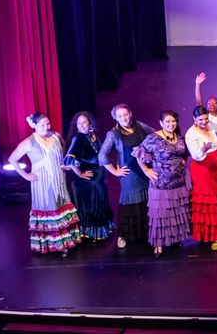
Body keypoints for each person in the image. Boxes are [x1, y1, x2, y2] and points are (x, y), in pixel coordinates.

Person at [8, 113, 82, 255]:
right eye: (42, 125)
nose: (46, 127)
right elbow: (12, 159)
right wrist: (25, 175)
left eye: (47, 124)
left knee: (61, 205)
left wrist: (64, 164)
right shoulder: (29, 142)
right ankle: (55, 245)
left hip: (59, 179)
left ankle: (67, 240)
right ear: (34, 125)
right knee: (50, 208)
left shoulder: (55, 136)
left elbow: (63, 152)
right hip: (42, 182)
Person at [136, 110, 190, 258]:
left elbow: (183, 153)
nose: (171, 124)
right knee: (160, 215)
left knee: (175, 213)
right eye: (167, 122)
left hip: (178, 183)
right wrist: (146, 170)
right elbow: (139, 153)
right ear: (161, 123)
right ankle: (158, 244)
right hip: (161, 184)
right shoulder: (153, 138)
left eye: (173, 121)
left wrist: (182, 160)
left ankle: (174, 239)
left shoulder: (178, 138)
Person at [101, 104, 153, 249]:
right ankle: (123, 235)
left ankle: (144, 233)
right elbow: (102, 156)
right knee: (129, 204)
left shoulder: (139, 125)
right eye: (120, 116)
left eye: (125, 114)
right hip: (129, 174)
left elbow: (155, 135)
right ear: (115, 118)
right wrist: (114, 171)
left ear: (130, 113)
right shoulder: (114, 134)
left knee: (145, 200)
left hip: (145, 170)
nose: (123, 117)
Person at [64, 112, 114, 241]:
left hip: (98, 175)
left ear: (90, 123)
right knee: (93, 204)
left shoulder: (94, 135)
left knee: (101, 201)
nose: (82, 125)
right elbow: (70, 158)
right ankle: (91, 232)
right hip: (87, 179)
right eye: (79, 123)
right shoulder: (78, 138)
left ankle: (100, 229)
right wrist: (79, 173)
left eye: (84, 122)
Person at [182, 106, 217, 251]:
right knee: (208, 201)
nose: (204, 122)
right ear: (194, 119)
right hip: (202, 168)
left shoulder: (211, 124)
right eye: (201, 119)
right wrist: (204, 149)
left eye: (206, 119)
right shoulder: (191, 133)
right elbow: (195, 155)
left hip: (215, 166)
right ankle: (211, 236)